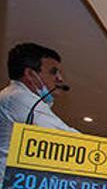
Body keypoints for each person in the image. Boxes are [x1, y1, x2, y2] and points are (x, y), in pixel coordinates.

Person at [0, 43, 77, 180]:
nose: (60, 79)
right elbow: (66, 138)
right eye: (53, 72)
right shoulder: (18, 97)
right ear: (30, 74)